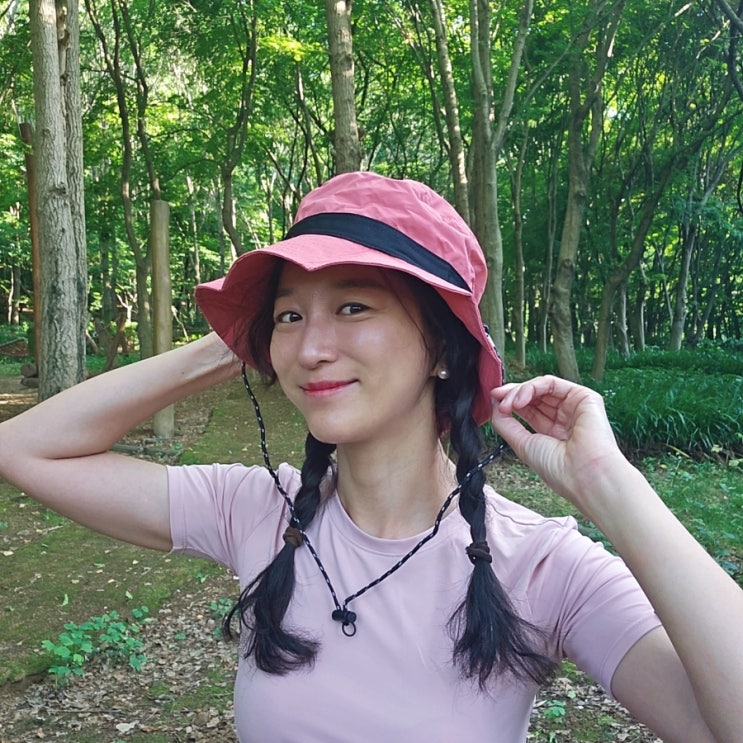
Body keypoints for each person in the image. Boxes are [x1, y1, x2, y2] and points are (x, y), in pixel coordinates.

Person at [0, 172, 741, 743]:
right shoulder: (257, 512)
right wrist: (229, 342)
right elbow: (25, 449)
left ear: (442, 347)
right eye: (290, 315)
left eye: (353, 306)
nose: (311, 347)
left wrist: (610, 487)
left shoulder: (540, 566)